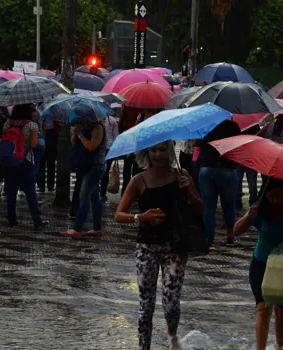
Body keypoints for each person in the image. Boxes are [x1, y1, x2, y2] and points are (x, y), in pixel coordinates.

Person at [115, 141, 202, 350]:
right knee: (146, 306)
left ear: (170, 151)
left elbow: (200, 209)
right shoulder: (139, 180)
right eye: (153, 150)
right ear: (146, 153)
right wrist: (141, 217)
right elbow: (119, 214)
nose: (157, 155)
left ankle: (172, 336)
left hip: (176, 247)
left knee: (171, 303)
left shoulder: (181, 176)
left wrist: (188, 189)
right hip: (147, 247)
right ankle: (143, 346)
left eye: (162, 150)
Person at [233, 179, 283, 350]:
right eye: (270, 196)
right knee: (263, 308)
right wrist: (249, 216)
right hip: (261, 264)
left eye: (277, 196)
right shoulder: (260, 208)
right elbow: (235, 230)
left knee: (282, 308)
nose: (274, 200)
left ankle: (280, 345)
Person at [61, 106, 106, 237]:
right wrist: (75, 134)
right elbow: (77, 144)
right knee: (94, 196)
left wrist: (80, 135)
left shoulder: (98, 128)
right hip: (86, 166)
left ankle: (77, 228)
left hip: (95, 166)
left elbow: (92, 146)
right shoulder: (86, 127)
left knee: (84, 196)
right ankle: (97, 228)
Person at [197, 119, 241, 251]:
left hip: (207, 168)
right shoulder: (233, 125)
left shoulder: (206, 123)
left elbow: (195, 143)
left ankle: (208, 240)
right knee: (229, 206)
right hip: (227, 168)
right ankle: (230, 237)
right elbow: (238, 145)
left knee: (208, 207)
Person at [1, 104, 48, 228]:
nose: (35, 112)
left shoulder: (8, 123)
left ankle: (11, 219)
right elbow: (33, 145)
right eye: (32, 110)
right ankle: (37, 220)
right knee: (30, 192)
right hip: (25, 161)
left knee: (11, 191)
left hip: (10, 161)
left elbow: (5, 140)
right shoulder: (32, 125)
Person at [236, 124, 260, 208]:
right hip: (251, 156)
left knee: (238, 179)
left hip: (239, 155)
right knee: (252, 181)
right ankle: (253, 201)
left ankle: (237, 200)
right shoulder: (254, 125)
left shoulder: (237, 125)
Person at [37, 118, 59, 193]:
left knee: (51, 163)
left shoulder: (55, 112)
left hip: (51, 135)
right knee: (41, 163)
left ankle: (51, 185)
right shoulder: (39, 110)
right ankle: (41, 185)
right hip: (40, 134)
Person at [100, 116, 119, 201]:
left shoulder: (96, 120)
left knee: (102, 171)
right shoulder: (112, 120)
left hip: (102, 148)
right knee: (105, 171)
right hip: (109, 148)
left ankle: (100, 192)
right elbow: (116, 137)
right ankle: (102, 193)